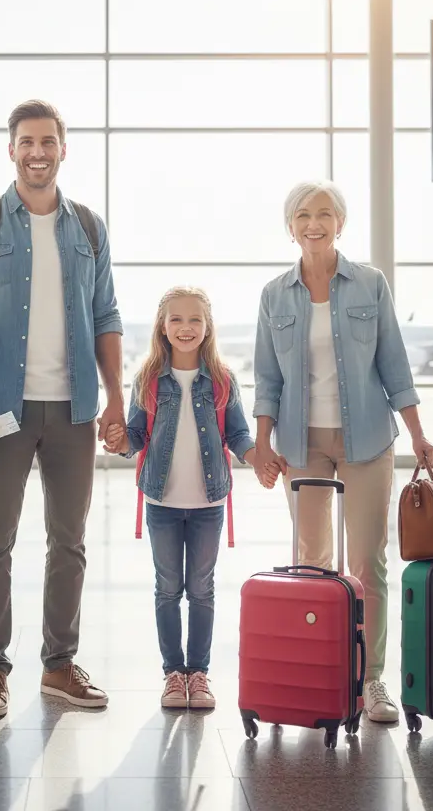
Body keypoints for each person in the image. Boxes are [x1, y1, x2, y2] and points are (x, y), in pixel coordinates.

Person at [0, 99, 125, 719]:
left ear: (63, 149)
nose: (38, 150)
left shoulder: (90, 229)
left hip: (74, 409)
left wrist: (116, 397)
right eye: (27, 141)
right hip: (2, 410)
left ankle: (57, 666)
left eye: (48, 140)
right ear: (12, 149)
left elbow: (106, 316)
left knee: (68, 542)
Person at [252, 180, 433, 725]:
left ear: (341, 223)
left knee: (366, 560)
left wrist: (420, 434)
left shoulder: (370, 285)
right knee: (312, 561)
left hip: (367, 440)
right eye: (304, 215)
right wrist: (262, 444)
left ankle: (370, 678)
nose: (315, 223)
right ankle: (321, 669)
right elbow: (267, 377)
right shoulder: (273, 294)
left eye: (325, 214)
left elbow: (394, 366)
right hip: (300, 443)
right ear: (291, 227)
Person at [104, 287, 258, 711]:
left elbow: (238, 433)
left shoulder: (223, 379)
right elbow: (136, 435)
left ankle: (200, 674)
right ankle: (174, 673)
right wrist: (120, 442)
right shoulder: (149, 379)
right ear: (163, 326)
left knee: (202, 589)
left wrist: (255, 455)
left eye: (195, 320)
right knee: (168, 588)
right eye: (176, 320)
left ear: (207, 327)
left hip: (209, 504)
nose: (185, 328)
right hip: (163, 504)